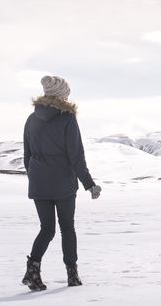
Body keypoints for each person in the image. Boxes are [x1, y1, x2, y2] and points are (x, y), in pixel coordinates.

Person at [21, 75, 102, 291]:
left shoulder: (31, 119)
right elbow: (76, 156)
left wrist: (37, 177)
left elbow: (27, 156)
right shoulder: (67, 119)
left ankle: (32, 271)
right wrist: (89, 184)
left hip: (39, 184)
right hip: (64, 184)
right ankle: (72, 275)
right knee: (67, 228)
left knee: (46, 229)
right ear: (62, 95)